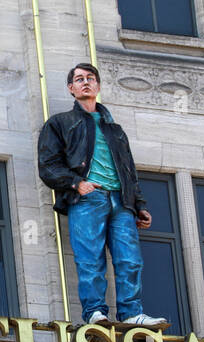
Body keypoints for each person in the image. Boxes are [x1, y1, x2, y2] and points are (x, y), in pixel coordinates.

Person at [37, 63, 167, 328]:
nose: (85, 82)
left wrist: (139, 204)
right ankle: (95, 312)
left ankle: (131, 312)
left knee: (129, 259)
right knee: (89, 258)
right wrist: (76, 183)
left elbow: (129, 171)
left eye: (90, 78)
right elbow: (48, 165)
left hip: (121, 201)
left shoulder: (115, 130)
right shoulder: (60, 123)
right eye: (79, 79)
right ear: (71, 88)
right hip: (88, 198)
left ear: (97, 85)